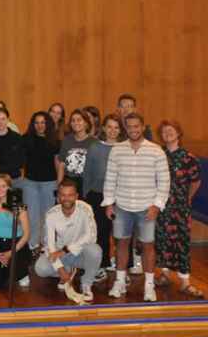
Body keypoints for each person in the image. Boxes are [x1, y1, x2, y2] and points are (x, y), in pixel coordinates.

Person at [105, 112, 170, 302]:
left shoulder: (156, 150)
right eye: (129, 126)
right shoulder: (117, 150)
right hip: (122, 206)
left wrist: (156, 206)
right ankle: (119, 282)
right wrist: (109, 203)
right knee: (122, 244)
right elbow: (110, 178)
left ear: (142, 127)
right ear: (125, 128)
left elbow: (164, 182)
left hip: (146, 207)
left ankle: (149, 287)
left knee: (148, 246)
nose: (133, 130)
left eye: (136, 126)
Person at [154, 120, 202, 297]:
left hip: (180, 207)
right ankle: (165, 274)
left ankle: (185, 282)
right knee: (163, 240)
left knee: (181, 243)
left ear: (178, 133)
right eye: (164, 132)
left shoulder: (189, 158)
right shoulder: (158, 155)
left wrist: (187, 198)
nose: (168, 134)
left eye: (171, 131)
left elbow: (196, 181)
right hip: (161, 206)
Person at [35, 179, 101, 304]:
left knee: (95, 250)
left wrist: (67, 250)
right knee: (40, 269)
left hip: (79, 252)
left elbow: (91, 236)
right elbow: (49, 246)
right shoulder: (51, 214)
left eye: (70, 195)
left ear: (76, 196)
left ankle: (86, 284)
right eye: (63, 195)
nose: (66, 198)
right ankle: (67, 271)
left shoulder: (86, 209)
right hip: (60, 254)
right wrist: (61, 271)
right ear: (58, 197)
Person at [82, 113, 123, 282]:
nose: (112, 131)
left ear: (120, 130)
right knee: (101, 232)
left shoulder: (125, 148)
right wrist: (85, 196)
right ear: (104, 128)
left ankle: (123, 269)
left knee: (122, 234)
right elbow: (88, 173)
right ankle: (102, 265)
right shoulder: (95, 147)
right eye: (109, 127)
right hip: (98, 196)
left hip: (121, 196)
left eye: (116, 127)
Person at [0, 174, 32, 290]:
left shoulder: (20, 207)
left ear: (9, 188)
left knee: (17, 278)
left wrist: (10, 253)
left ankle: (23, 272)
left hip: (16, 244)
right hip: (0, 243)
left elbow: (26, 235)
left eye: (3, 186)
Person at [21, 111, 60, 251]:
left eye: (43, 122)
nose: (40, 125)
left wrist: (59, 184)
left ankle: (46, 244)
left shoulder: (55, 141)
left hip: (49, 183)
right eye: (36, 123)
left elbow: (58, 164)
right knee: (31, 215)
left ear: (47, 124)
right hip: (30, 183)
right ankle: (32, 243)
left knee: (48, 215)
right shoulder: (25, 139)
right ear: (33, 124)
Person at [56, 109, 97, 194]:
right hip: (69, 183)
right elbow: (61, 165)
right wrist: (59, 186)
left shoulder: (94, 142)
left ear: (86, 123)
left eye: (79, 120)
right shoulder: (67, 140)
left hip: (87, 183)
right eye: (73, 120)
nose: (75, 123)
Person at [0, 107, 25, 180]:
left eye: (3, 119)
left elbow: (20, 161)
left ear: (8, 120)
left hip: (13, 177)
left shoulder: (17, 137)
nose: (0, 122)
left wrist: (0, 169)